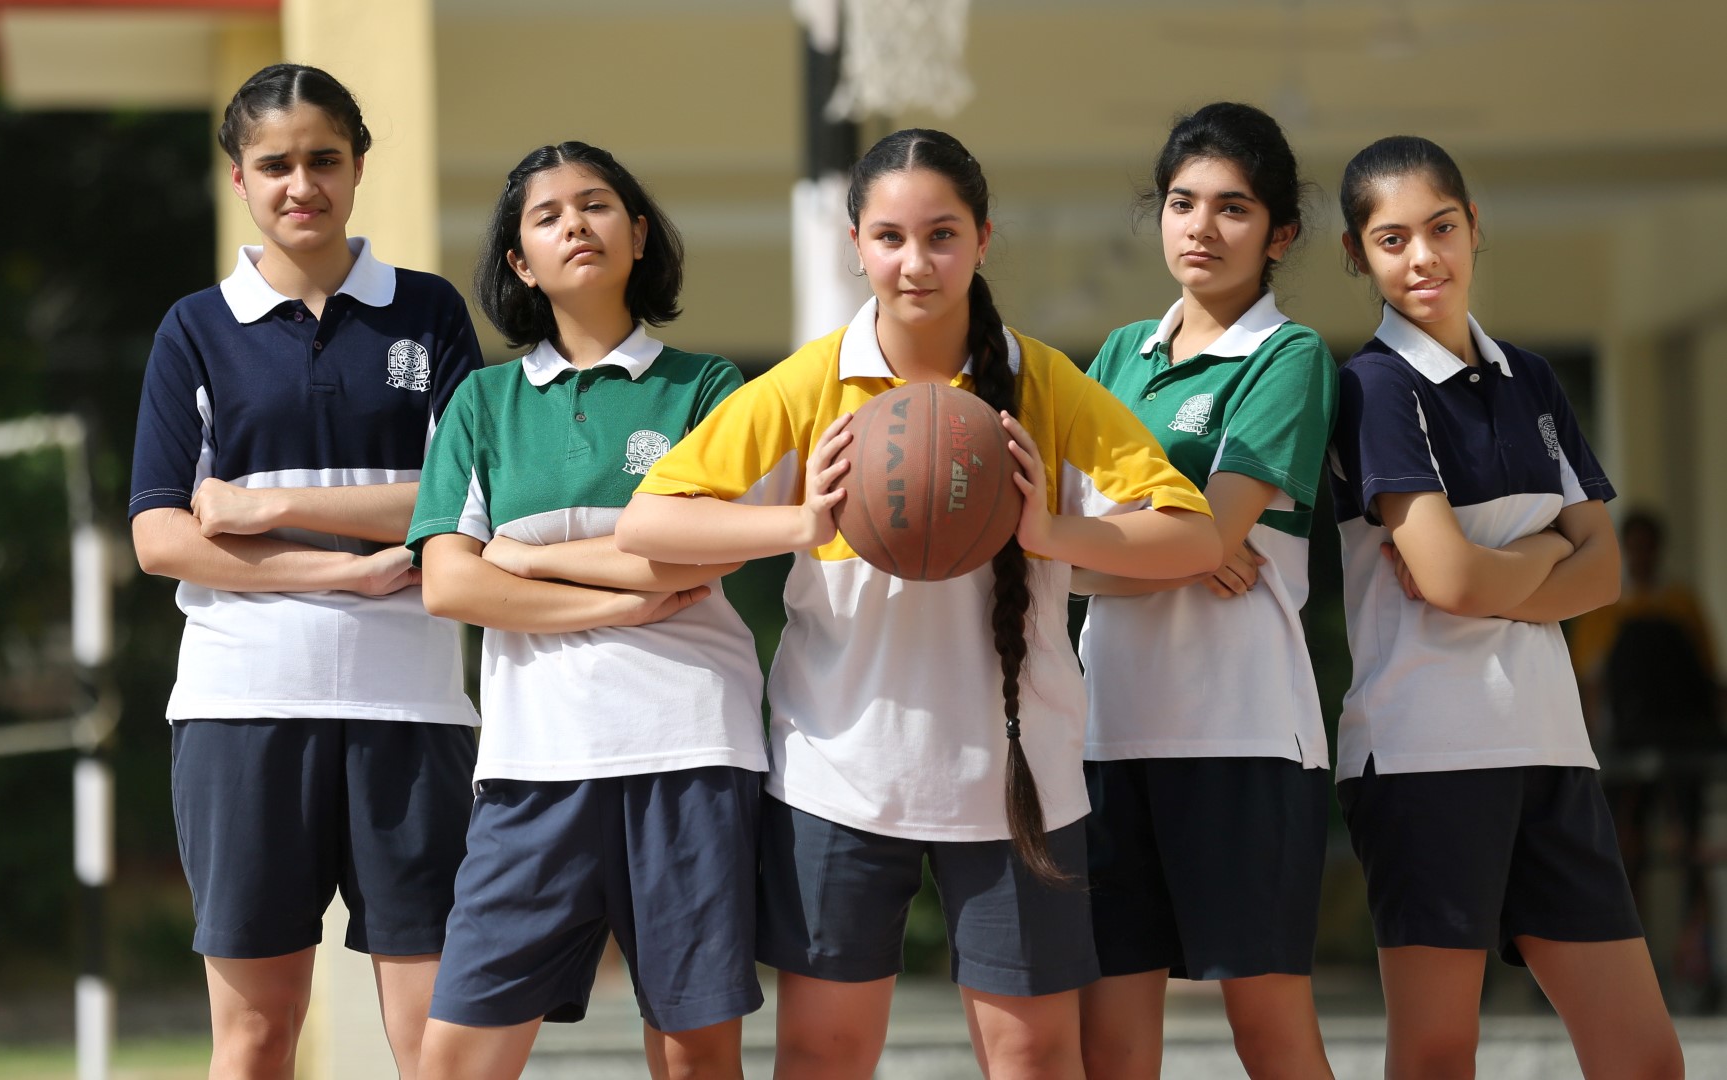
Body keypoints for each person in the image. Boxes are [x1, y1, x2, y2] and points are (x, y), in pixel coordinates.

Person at [616, 128, 1221, 1080]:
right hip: (840, 769)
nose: (915, 262)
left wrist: (1049, 531)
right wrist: (800, 521)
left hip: (1020, 775)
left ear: (982, 238)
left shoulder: (1043, 382)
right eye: (889, 237)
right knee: (824, 1054)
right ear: (854, 244)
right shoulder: (811, 383)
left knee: (1033, 1057)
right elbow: (648, 522)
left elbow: (1191, 536)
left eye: (941, 235)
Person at [128, 63, 481, 1079]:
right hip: (243, 708)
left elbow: (462, 500)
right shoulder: (195, 329)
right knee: (254, 1037)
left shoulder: (428, 312)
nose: (302, 184)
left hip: (411, 708)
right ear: (239, 178)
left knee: (436, 1044)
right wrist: (343, 575)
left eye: (323, 159)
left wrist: (264, 508)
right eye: (275, 164)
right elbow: (161, 537)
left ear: (358, 165)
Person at [1327, 134, 1684, 1078]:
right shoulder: (1371, 389)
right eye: (1391, 239)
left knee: (1644, 1058)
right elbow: (1452, 582)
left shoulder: (1531, 379)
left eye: (1440, 228)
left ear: (1474, 226)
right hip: (1424, 755)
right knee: (1438, 1053)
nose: (1422, 257)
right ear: (1357, 254)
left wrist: (1508, 567)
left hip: (1552, 749)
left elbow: (1602, 573)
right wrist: (1550, 546)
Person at [407, 141, 766, 1080]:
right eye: (547, 214)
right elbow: (450, 586)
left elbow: (708, 551)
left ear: (638, 235)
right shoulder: (480, 403)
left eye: (597, 204)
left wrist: (527, 564)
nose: (575, 223)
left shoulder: (707, 387)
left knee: (695, 1060)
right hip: (533, 765)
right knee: (454, 1062)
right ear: (520, 262)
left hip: (688, 750)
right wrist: (628, 601)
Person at [1073, 102, 1337, 1079]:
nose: (1200, 227)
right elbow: (1054, 527)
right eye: (1182, 202)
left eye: (1233, 208)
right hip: (1104, 733)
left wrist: (1166, 538)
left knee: (1268, 1035)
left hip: (1241, 734)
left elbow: (1207, 537)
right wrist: (1168, 544)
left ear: (1281, 234)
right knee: (1110, 1046)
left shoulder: (1289, 357)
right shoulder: (1118, 355)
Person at [1570, 508, 1722, 1004]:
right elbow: (1589, 684)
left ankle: (1695, 960)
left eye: (1647, 545)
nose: (1641, 554)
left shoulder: (1681, 604)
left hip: (1682, 745)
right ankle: (1627, 969)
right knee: (1625, 852)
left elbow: (1707, 677)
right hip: (1622, 748)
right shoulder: (1603, 603)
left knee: (1688, 849)